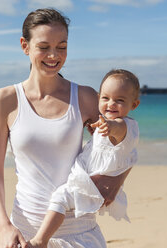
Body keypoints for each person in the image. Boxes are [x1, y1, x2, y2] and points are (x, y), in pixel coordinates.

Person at [0, 8, 131, 248]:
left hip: (79, 231)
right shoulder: (6, 99)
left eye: (61, 46)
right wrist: (3, 227)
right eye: (44, 47)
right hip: (23, 232)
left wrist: (118, 180)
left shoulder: (83, 96)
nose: (53, 55)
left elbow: (124, 139)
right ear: (25, 46)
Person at [29, 69, 140, 248]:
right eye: (105, 98)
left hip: (94, 185)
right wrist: (98, 130)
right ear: (98, 97)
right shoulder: (107, 123)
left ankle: (40, 240)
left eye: (120, 100)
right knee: (63, 198)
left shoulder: (123, 124)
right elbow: (129, 154)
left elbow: (118, 128)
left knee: (61, 196)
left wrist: (108, 125)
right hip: (92, 182)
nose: (111, 104)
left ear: (134, 104)